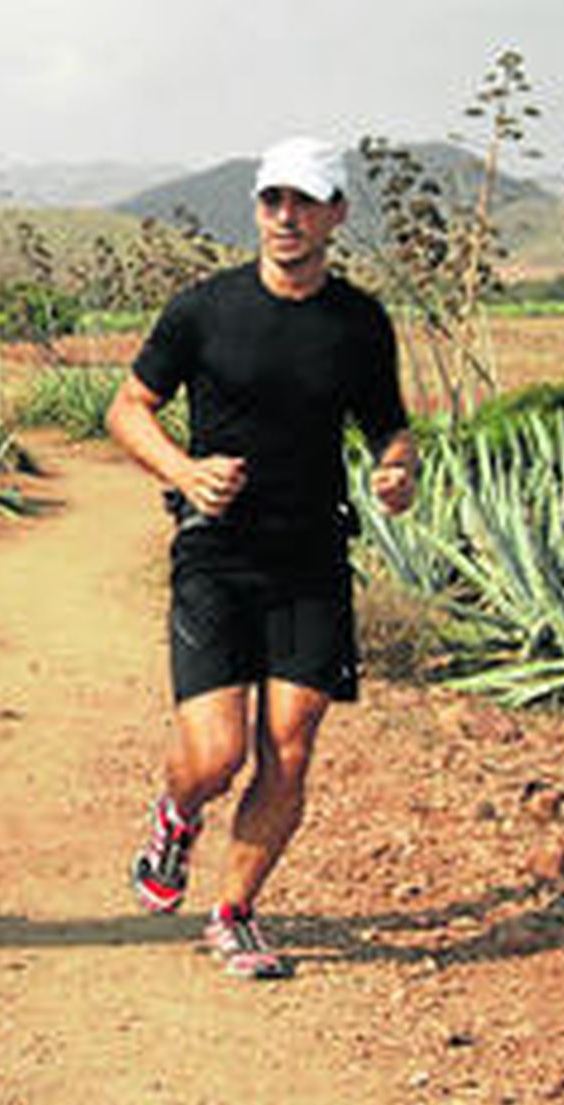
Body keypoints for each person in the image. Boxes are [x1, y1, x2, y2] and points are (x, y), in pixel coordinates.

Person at [106, 136, 417, 979]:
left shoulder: (358, 322)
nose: (286, 217)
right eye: (273, 200)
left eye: (305, 201)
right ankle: (176, 817)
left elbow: (388, 424)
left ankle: (235, 910)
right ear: (258, 209)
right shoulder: (204, 309)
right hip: (216, 551)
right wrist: (182, 469)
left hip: (313, 552)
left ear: (336, 215)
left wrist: (398, 468)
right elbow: (128, 409)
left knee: (292, 741)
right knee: (215, 754)